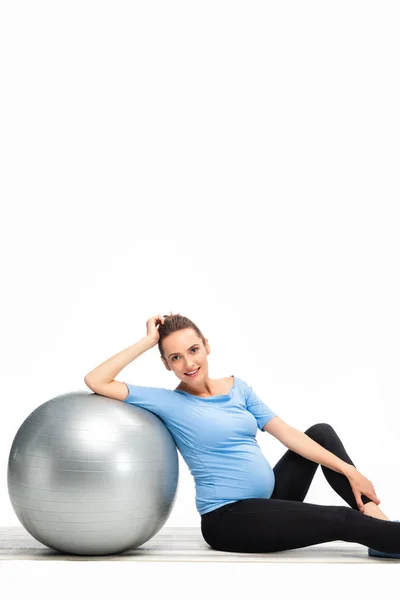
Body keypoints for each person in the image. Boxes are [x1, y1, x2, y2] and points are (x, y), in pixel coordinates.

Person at [84, 312, 400, 557]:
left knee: (321, 433)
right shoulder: (169, 401)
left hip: (270, 502)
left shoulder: (238, 388)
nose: (189, 363)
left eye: (193, 350)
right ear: (166, 364)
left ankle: (384, 533)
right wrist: (147, 341)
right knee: (343, 520)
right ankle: (387, 536)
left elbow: (288, 434)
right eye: (176, 357)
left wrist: (350, 471)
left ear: (207, 345)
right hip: (229, 519)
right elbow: (96, 380)